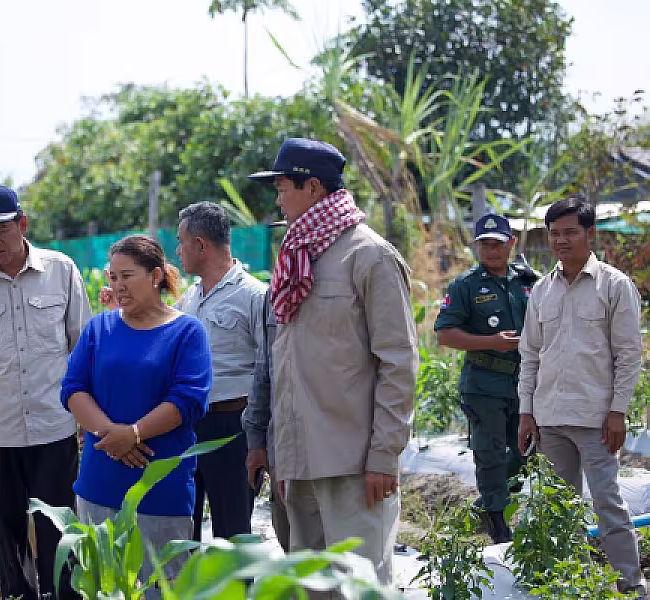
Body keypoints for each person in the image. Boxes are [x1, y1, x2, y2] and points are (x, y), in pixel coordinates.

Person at [247, 137, 418, 588]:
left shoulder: (369, 256)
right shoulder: (295, 258)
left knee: (360, 586)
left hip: (354, 465)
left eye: (283, 188)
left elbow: (398, 363)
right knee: (310, 588)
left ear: (315, 188)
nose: (279, 200)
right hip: (298, 464)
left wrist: (384, 455)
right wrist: (276, 449)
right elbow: (284, 366)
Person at [0, 185, 91, 600]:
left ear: (22, 224)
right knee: (8, 532)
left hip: (54, 425)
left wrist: (87, 418)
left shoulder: (61, 271)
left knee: (60, 531)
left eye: (1, 230)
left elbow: (81, 348)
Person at [61, 235, 211, 597]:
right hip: (100, 482)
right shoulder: (100, 328)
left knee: (158, 588)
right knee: (100, 587)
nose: (117, 285)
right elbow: (73, 388)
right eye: (112, 277)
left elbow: (189, 399)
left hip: (160, 489)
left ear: (156, 275)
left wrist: (136, 433)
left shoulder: (187, 332)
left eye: (127, 276)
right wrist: (113, 434)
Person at [517, 197, 647, 597]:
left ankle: (630, 582)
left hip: (595, 419)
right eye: (555, 234)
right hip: (550, 417)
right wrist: (526, 412)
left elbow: (628, 356)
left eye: (570, 232)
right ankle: (567, 581)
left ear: (590, 234)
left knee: (608, 502)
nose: (561, 241)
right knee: (557, 507)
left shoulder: (615, 285)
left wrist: (617, 411)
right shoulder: (541, 290)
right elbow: (530, 354)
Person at [433, 213, 535, 544]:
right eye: (485, 244)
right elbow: (446, 335)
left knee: (525, 455)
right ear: (477, 247)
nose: (491, 251)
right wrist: (492, 341)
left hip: (524, 384)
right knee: (490, 454)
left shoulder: (529, 281)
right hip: (484, 385)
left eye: (498, 244)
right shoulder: (465, 286)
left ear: (511, 244)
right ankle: (497, 524)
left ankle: (487, 504)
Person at [174, 201, 268, 542]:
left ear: (201, 245)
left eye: (181, 242)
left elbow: (267, 367)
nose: (177, 251)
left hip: (234, 427)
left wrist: (261, 438)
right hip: (189, 425)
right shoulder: (189, 298)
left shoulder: (254, 296)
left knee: (233, 533)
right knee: (184, 528)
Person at [241, 287, 290, 551]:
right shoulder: (281, 286)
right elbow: (264, 370)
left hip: (338, 456)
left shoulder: (365, 261)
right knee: (293, 547)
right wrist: (256, 442)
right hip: (283, 452)